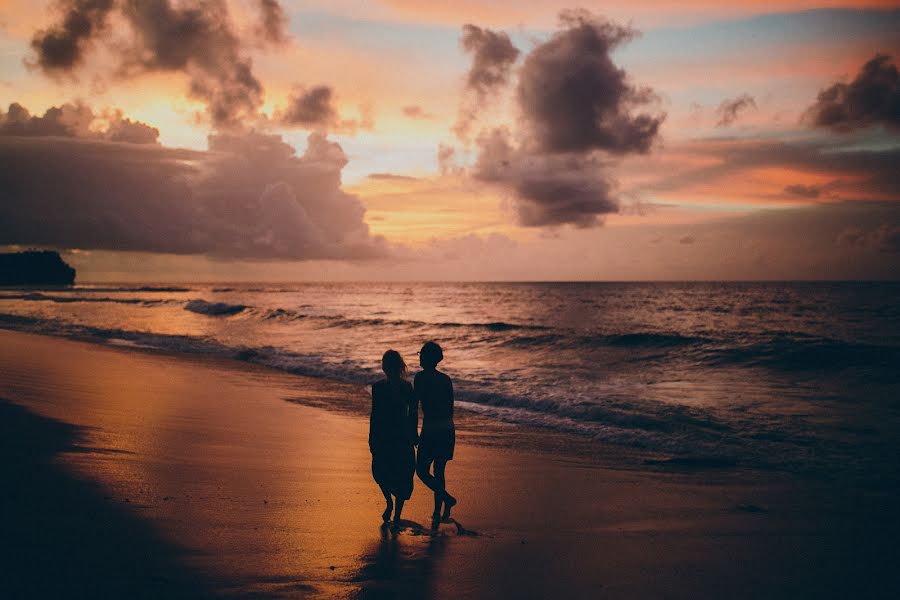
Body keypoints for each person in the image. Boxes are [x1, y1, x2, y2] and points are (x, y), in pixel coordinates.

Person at [369, 350, 417, 529]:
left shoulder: (385, 387)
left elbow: (375, 416)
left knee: (384, 472)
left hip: (387, 435)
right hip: (398, 436)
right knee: (400, 474)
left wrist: (372, 437)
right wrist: (414, 434)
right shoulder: (404, 387)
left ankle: (392, 507)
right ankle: (394, 509)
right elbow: (413, 415)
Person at [412, 341, 457, 528]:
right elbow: (450, 407)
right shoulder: (446, 379)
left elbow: (414, 407)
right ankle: (438, 512)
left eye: (421, 354)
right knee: (439, 471)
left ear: (427, 358)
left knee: (422, 471)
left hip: (431, 429)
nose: (419, 357)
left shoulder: (420, 378)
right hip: (447, 428)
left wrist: (414, 431)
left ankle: (447, 499)